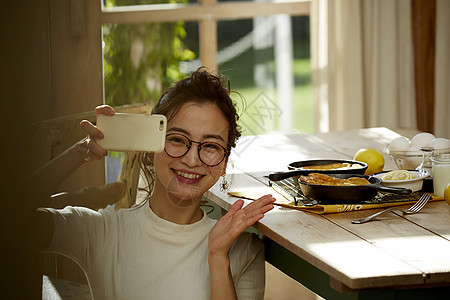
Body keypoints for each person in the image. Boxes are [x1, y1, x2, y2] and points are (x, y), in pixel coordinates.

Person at [32, 68, 276, 300]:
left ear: (223, 164)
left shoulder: (243, 249)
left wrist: (218, 257)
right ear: (151, 148)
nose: (191, 160)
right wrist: (80, 152)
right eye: (178, 140)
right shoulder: (103, 233)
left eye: (211, 146)